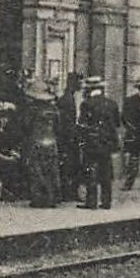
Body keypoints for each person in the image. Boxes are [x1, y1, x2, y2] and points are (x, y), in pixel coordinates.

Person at [78, 76, 121, 209]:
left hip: (92, 142)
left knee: (90, 171)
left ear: (88, 89)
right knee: (106, 171)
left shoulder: (86, 104)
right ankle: (106, 202)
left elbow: (82, 123)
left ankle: (91, 202)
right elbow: (117, 123)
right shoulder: (112, 103)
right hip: (107, 142)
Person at [21, 79, 62, 208]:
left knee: (37, 170)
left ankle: (39, 199)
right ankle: (52, 198)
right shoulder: (54, 109)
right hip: (51, 141)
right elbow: (58, 126)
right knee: (51, 170)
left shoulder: (32, 109)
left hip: (36, 141)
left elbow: (26, 126)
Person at [56, 71, 84, 201]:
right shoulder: (67, 99)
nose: (81, 84)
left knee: (71, 166)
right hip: (68, 139)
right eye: (79, 82)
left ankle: (69, 192)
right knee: (70, 166)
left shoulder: (70, 97)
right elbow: (65, 122)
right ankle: (69, 193)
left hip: (70, 137)